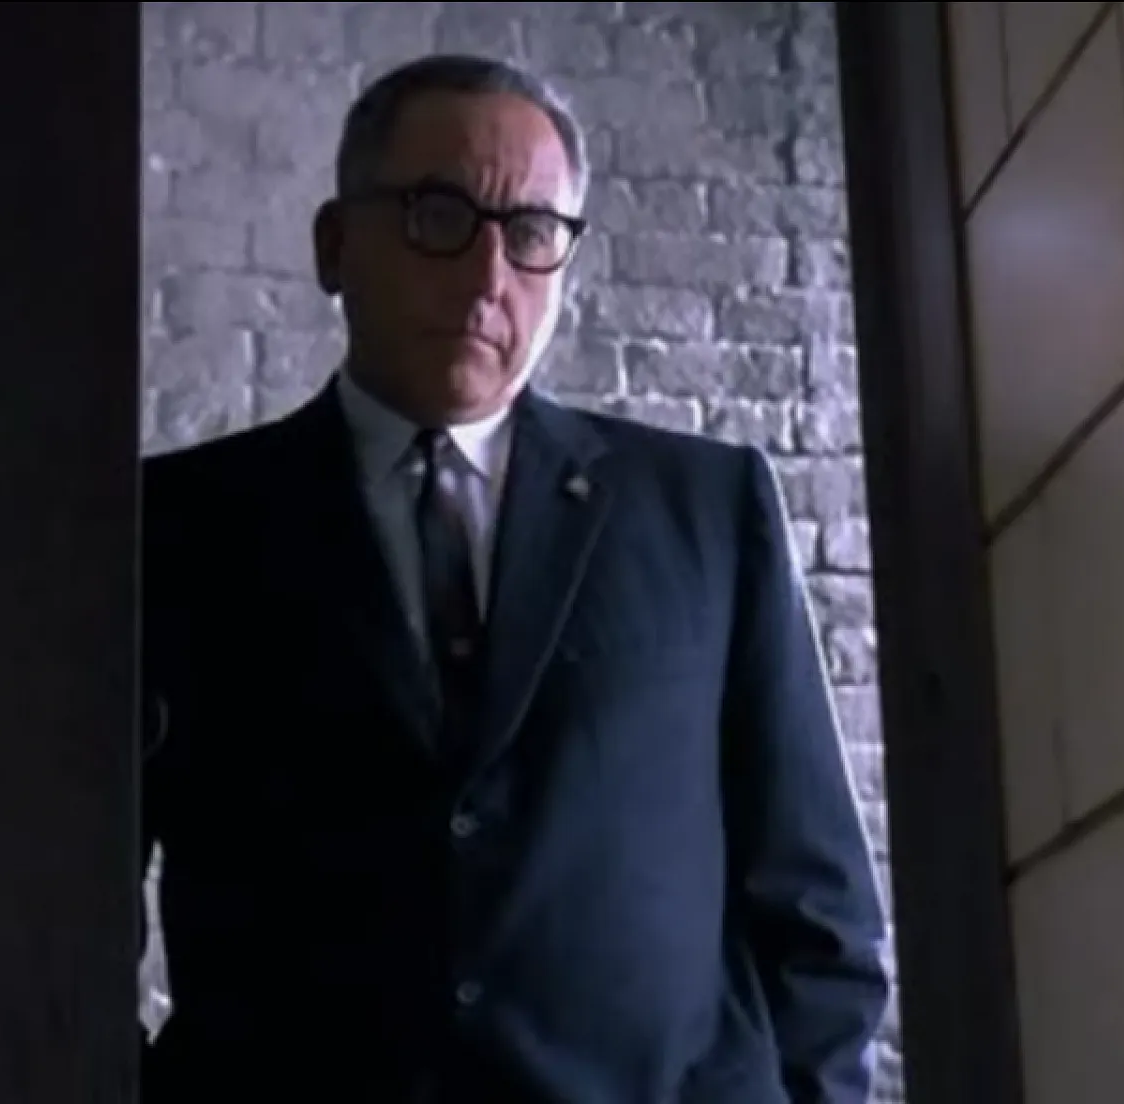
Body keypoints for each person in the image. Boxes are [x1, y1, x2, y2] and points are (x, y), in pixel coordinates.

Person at [140, 53, 890, 1104]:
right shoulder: (180, 526)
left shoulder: (707, 511)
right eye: (438, 215)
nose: (488, 276)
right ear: (333, 245)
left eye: (532, 232)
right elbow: (63, 904)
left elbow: (817, 906)